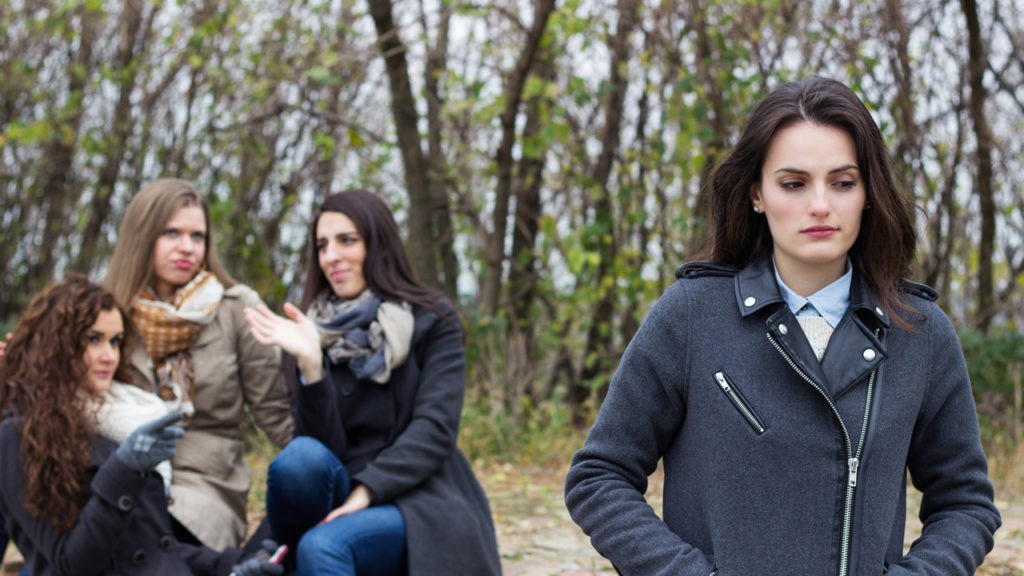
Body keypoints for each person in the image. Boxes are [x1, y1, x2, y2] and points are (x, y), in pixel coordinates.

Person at [564, 76, 1001, 576]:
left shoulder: (920, 333)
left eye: (842, 182)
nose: (820, 205)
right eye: (794, 183)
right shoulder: (692, 315)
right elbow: (599, 477)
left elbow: (966, 504)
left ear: (868, 193)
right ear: (757, 193)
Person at [243, 189, 501, 575]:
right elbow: (319, 457)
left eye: (347, 240)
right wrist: (311, 367)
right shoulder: (308, 331)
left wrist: (368, 490)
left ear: (380, 246)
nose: (331, 256)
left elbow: (434, 429)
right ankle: (280, 555)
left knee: (323, 545)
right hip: (335, 495)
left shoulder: (432, 319)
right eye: (322, 245)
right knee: (299, 460)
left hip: (417, 497)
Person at [0, 275, 283, 575]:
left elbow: (154, 550)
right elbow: (72, 562)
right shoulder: (19, 435)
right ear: (56, 344)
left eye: (116, 341)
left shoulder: (130, 415)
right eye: (93, 339)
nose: (109, 356)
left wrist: (233, 566)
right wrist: (124, 468)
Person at [103, 178, 294, 550]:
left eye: (197, 236)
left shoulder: (236, 308)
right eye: (171, 233)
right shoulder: (105, 312)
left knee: (148, 541)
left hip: (206, 489)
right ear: (141, 236)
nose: (187, 247)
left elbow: (276, 414)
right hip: (121, 476)